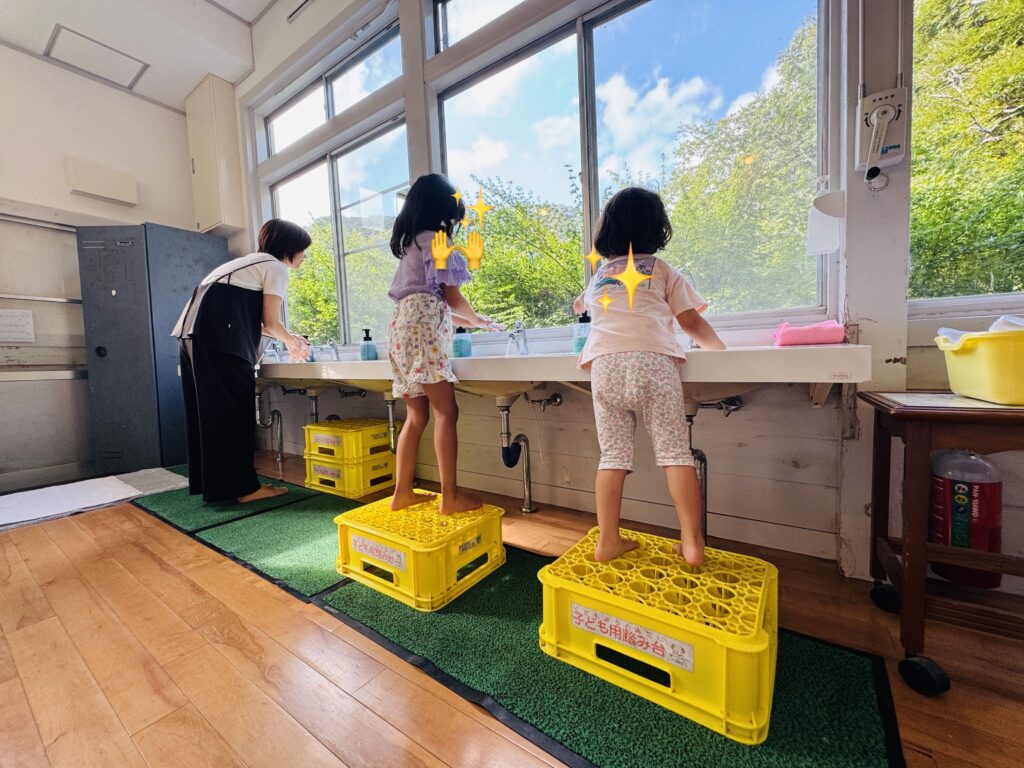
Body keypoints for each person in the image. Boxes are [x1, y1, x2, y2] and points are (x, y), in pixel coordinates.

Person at [574, 187, 726, 566]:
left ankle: (608, 540)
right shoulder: (661, 270)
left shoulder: (599, 277)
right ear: (656, 228)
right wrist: (723, 353)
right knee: (675, 454)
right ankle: (691, 542)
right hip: (652, 364)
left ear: (608, 230)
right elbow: (691, 322)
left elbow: (581, 310)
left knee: (612, 456)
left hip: (605, 367)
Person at [172, 219, 312, 503]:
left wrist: (290, 337)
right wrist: (292, 342)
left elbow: (255, 322)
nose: (305, 256)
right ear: (290, 249)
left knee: (210, 416)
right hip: (220, 340)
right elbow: (270, 323)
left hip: (192, 336)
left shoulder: (244, 265)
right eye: (303, 250)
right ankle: (244, 489)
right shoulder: (275, 267)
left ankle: (216, 487)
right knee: (234, 414)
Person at [386, 173, 502, 514]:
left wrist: (474, 321)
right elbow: (451, 298)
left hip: (401, 329)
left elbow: (428, 303)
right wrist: (475, 317)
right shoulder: (438, 241)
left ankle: (401, 493)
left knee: (416, 415)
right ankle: (450, 497)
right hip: (423, 328)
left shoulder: (411, 245)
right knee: (446, 412)